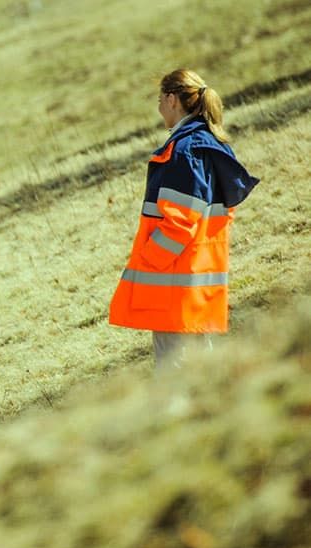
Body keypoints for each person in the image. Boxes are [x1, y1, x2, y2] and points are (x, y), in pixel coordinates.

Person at [109, 69, 259, 369]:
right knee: (204, 367)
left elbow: (181, 222)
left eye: (159, 100)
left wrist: (148, 259)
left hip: (173, 282)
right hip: (198, 275)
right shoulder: (208, 144)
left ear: (172, 99)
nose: (159, 108)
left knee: (173, 372)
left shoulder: (184, 150)